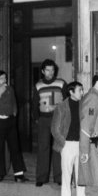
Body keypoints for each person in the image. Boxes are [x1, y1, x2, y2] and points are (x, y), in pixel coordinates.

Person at [0, 70, 27, 182]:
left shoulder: (10, 89)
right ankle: (0, 174)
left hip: (10, 121)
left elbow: (14, 102)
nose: (4, 80)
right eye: (1, 78)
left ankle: (19, 174)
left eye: (5, 78)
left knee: (15, 147)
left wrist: (14, 113)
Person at [51, 81, 85, 196]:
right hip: (67, 144)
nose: (82, 92)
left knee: (81, 177)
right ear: (71, 92)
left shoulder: (84, 105)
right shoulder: (61, 107)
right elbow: (54, 128)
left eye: (82, 90)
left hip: (81, 145)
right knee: (66, 177)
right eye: (80, 90)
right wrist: (63, 142)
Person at [33, 59, 66, 187]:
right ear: (43, 71)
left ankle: (59, 178)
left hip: (58, 119)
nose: (50, 72)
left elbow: (67, 101)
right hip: (43, 120)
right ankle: (41, 178)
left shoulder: (61, 83)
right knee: (43, 148)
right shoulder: (38, 85)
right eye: (47, 70)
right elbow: (34, 102)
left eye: (52, 70)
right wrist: (36, 118)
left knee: (58, 148)